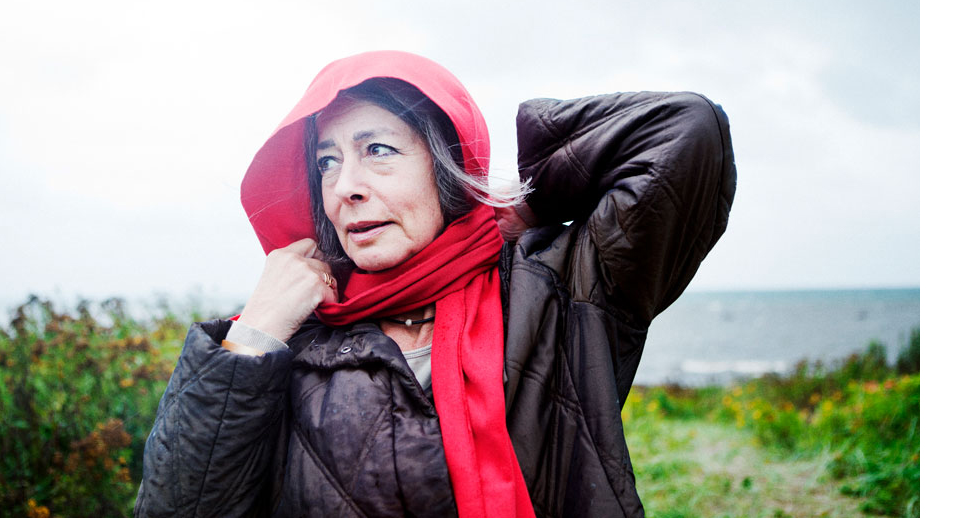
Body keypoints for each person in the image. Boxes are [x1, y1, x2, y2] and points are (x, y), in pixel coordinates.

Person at [134, 50, 737, 518]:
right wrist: (252, 336)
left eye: (378, 149)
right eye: (327, 161)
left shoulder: (557, 287)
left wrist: (532, 196)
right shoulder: (290, 339)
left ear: (446, 163)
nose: (346, 184)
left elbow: (685, 130)